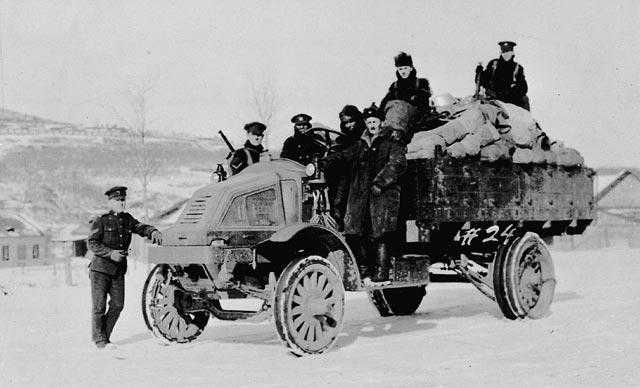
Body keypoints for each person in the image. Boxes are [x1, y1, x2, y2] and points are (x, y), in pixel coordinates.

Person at [323, 103, 407, 284]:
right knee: (354, 233)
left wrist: (380, 182)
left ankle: (382, 272)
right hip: (361, 198)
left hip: (383, 196)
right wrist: (325, 161)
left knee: (381, 234)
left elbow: (397, 164)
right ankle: (364, 268)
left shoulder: (392, 142)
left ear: (382, 122)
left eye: (375, 121)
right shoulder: (360, 145)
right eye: (369, 122)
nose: (372, 125)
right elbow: (344, 156)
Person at [87, 186, 162, 349]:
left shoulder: (128, 219)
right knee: (99, 306)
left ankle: (103, 336)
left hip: (118, 270)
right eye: (117, 200)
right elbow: (92, 243)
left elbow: (141, 228)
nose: (121, 203)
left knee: (118, 305)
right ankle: (100, 341)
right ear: (110, 202)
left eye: (123, 200)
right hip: (100, 269)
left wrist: (153, 231)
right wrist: (109, 253)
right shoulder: (101, 220)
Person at [326, 105, 367, 229]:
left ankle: (337, 213)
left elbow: (350, 154)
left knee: (344, 179)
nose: (349, 125)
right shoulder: (342, 139)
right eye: (345, 123)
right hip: (346, 173)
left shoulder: (364, 136)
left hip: (361, 173)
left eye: (351, 121)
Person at [379, 52, 432, 141]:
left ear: (411, 68)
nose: (403, 71)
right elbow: (384, 103)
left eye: (405, 68)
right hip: (394, 121)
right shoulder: (395, 86)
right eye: (400, 69)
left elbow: (423, 105)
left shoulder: (421, 83)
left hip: (413, 121)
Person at [480, 41, 530, 111]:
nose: (506, 54)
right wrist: (479, 72)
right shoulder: (493, 65)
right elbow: (482, 81)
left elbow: (523, 88)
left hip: (511, 103)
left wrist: (507, 95)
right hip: (492, 101)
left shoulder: (517, 68)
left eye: (508, 51)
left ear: (512, 52)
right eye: (504, 51)